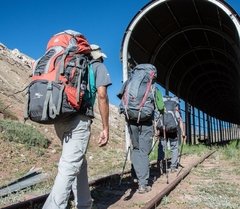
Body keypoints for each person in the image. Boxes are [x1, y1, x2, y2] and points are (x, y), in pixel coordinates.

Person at [42, 44, 112, 209]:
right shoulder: (98, 66)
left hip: (60, 117)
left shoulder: (67, 65)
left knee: (79, 162)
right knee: (69, 166)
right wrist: (105, 127)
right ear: (97, 55)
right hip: (78, 119)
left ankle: (84, 204)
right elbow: (102, 95)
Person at [156, 98, 185, 173]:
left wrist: (157, 131)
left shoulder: (162, 107)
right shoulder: (175, 108)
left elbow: (157, 119)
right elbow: (180, 121)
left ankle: (160, 166)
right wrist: (183, 133)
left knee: (162, 147)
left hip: (163, 129)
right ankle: (173, 167)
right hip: (173, 130)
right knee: (174, 148)